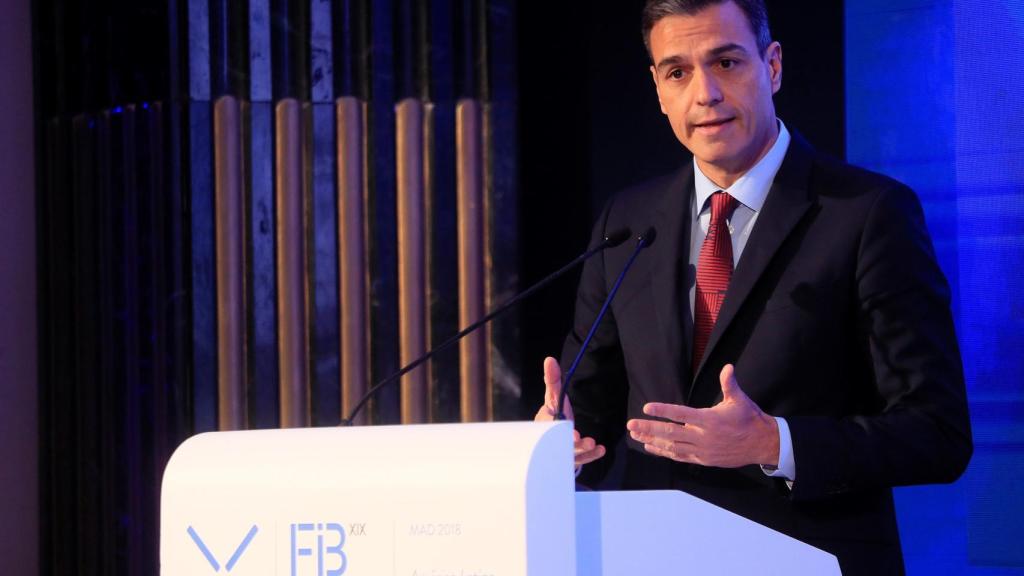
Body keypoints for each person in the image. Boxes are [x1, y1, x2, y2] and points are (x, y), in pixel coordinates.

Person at [534, 0, 972, 573]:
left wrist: (773, 444)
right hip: (650, 557)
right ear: (659, 90)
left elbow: (937, 433)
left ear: (773, 65)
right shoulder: (628, 222)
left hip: (812, 557)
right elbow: (587, 415)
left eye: (727, 63)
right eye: (678, 72)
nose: (705, 94)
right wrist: (557, 444)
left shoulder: (868, 214)